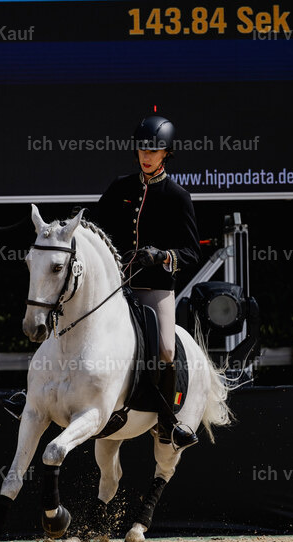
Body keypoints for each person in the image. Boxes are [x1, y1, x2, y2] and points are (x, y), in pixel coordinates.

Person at [93, 114, 202, 450]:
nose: (146, 155)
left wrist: (163, 256)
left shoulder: (177, 196)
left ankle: (169, 422)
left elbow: (191, 252)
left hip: (155, 288)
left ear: (166, 153)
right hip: (116, 288)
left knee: (166, 349)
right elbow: (95, 228)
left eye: (153, 150)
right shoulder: (120, 188)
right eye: (142, 149)